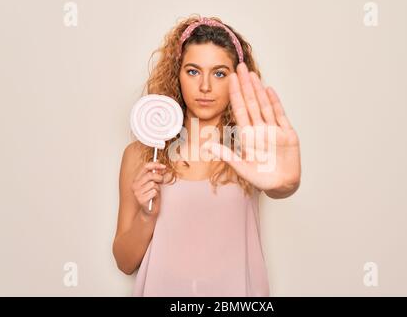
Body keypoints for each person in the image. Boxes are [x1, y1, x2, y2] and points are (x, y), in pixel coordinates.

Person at [112, 15, 301, 296]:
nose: (205, 87)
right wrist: (145, 216)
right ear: (176, 74)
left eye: (219, 73)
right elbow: (125, 262)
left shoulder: (251, 148)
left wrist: (287, 183)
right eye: (193, 71)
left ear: (237, 79)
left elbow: (280, 187)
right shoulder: (142, 154)